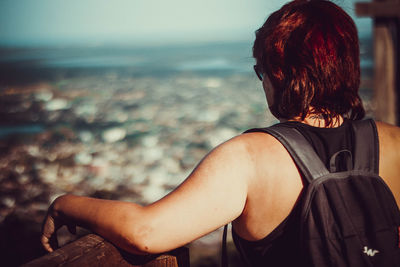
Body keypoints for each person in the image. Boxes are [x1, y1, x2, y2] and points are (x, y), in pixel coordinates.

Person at [41, 0, 400, 266]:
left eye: (262, 70)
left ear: (282, 73)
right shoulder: (394, 143)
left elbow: (145, 234)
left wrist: (65, 204)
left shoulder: (249, 158)